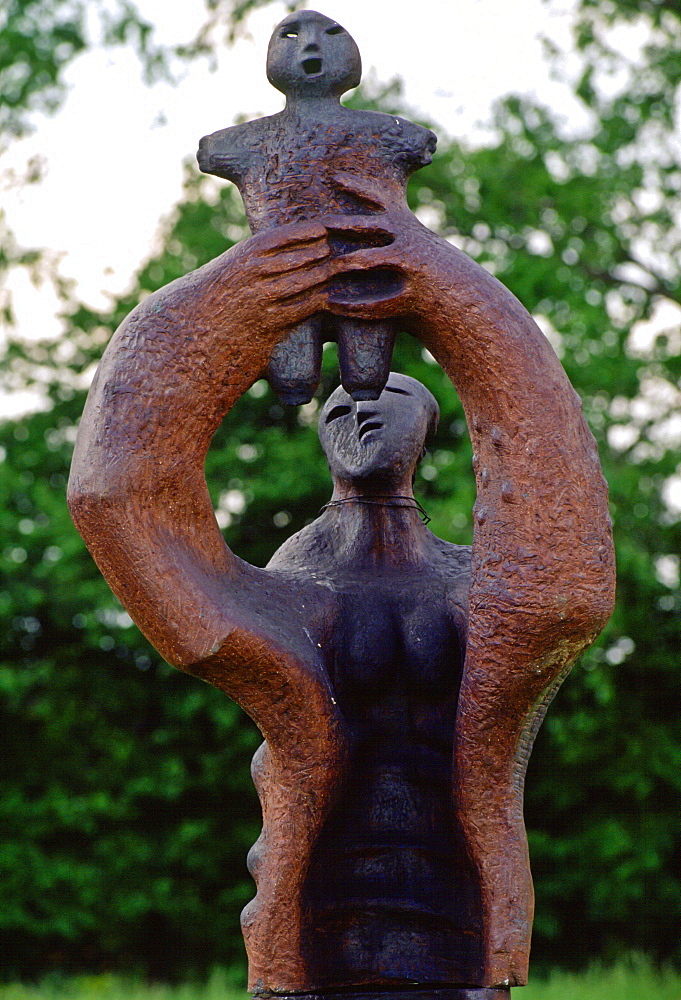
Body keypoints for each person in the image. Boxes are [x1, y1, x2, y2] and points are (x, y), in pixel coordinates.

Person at [68, 206, 615, 994]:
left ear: (428, 428)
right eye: (334, 406)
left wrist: (458, 298)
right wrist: (234, 293)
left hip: (462, 944)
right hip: (310, 950)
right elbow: (117, 495)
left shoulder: (476, 592)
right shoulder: (284, 601)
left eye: (385, 395)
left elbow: (563, 582)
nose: (356, 406)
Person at [197, 9, 436, 405]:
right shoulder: (248, 141)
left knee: (366, 364)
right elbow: (212, 151)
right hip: (286, 272)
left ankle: (359, 379)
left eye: (330, 34)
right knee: (292, 365)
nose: (310, 44)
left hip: (366, 267)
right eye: (290, 36)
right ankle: (299, 381)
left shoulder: (384, 135)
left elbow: (417, 144)